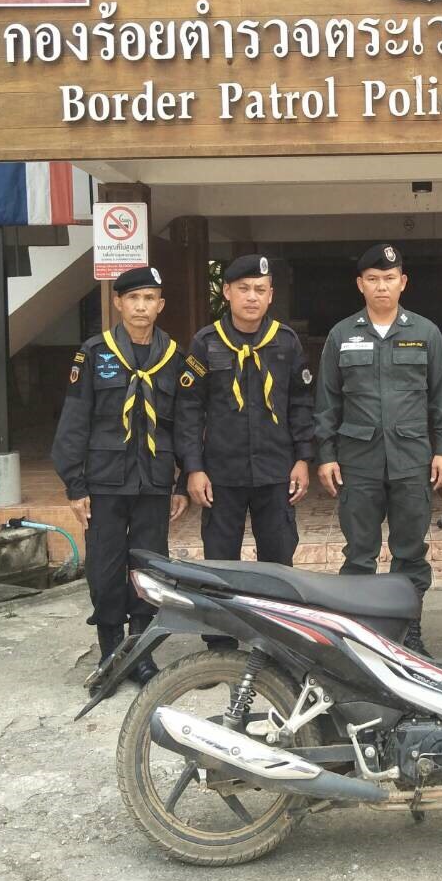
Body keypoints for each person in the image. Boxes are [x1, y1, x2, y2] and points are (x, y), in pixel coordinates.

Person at [314, 243, 442, 658]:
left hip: (412, 460)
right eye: (373, 279)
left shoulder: (425, 333)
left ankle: (409, 631)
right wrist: (326, 454)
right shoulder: (342, 335)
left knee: (411, 553)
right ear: (360, 284)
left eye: (389, 278)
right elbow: (326, 402)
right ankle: (360, 634)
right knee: (359, 554)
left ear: (403, 282)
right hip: (357, 462)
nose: (382, 286)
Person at [51, 265, 189, 688]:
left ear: (160, 305)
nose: (141, 307)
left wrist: (181, 483)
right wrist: (75, 485)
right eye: (133, 298)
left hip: (153, 480)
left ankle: (140, 652)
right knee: (105, 566)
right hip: (104, 481)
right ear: (118, 303)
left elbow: (183, 425)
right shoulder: (95, 353)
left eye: (149, 299)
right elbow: (75, 421)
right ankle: (110, 650)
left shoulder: (174, 357)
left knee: (149, 567)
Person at [175, 254, 314, 649]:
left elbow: (301, 403)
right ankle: (221, 646)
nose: (251, 297)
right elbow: (189, 410)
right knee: (221, 566)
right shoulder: (206, 342)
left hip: (276, 471)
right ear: (227, 292)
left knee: (278, 565)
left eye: (259, 290)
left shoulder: (286, 342)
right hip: (222, 474)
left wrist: (303, 458)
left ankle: (280, 643)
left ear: (270, 295)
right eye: (243, 289)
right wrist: (193, 468)